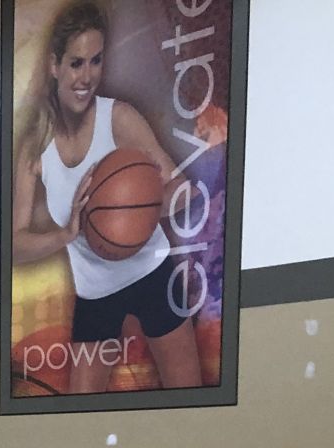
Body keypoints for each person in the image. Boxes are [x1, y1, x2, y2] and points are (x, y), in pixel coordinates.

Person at [10, 1, 201, 393]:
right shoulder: (35, 147)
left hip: (152, 275)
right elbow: (15, 243)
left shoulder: (119, 118)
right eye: (76, 63)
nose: (87, 76)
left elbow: (182, 189)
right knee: (78, 419)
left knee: (189, 399)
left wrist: (137, 213)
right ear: (54, 66)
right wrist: (66, 234)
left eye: (95, 61)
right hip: (95, 292)